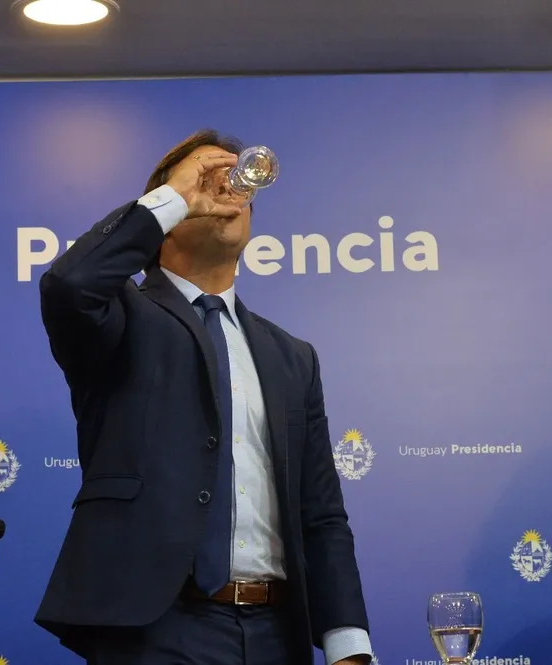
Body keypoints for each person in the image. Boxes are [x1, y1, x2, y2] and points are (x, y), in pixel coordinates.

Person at [34, 129, 372, 665]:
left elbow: (321, 512)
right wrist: (176, 196)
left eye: (237, 183)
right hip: (157, 630)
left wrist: (348, 644)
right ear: (162, 219)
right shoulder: (117, 315)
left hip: (277, 634)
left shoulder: (292, 355)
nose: (227, 191)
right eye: (205, 179)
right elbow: (70, 285)